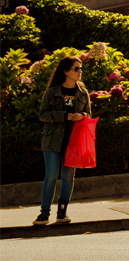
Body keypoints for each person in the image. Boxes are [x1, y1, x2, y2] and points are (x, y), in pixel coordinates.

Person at [34, 56, 90, 226]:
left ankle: (62, 212)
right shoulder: (52, 92)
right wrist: (63, 116)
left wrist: (81, 116)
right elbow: (42, 115)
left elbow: (89, 115)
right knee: (51, 176)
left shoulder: (82, 93)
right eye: (76, 69)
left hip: (72, 142)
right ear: (65, 71)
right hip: (52, 142)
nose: (80, 72)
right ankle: (44, 214)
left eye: (80, 68)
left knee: (68, 177)